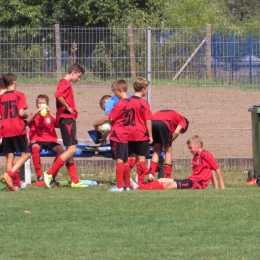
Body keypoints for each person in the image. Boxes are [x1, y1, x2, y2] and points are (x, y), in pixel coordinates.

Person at [43, 63, 88, 188]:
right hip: (67, 119)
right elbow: (58, 95)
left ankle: (75, 181)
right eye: (78, 76)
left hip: (67, 119)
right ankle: (50, 173)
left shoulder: (64, 83)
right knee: (72, 149)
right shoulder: (65, 83)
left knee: (69, 151)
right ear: (73, 73)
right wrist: (68, 107)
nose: (78, 79)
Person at [137, 135, 225, 190]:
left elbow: (217, 169)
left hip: (196, 184)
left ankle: (141, 188)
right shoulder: (196, 157)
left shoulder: (206, 154)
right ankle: (142, 186)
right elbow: (211, 170)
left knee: (168, 185)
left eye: (191, 147)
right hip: (190, 180)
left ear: (198, 145)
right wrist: (215, 188)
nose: (190, 150)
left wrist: (222, 188)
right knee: (161, 180)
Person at [93, 78, 132, 192]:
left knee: (119, 160)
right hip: (125, 134)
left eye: (115, 93)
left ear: (120, 90)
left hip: (117, 134)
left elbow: (108, 118)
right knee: (125, 160)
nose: (115, 95)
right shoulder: (131, 103)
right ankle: (127, 186)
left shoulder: (120, 104)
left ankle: (119, 186)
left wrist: (95, 123)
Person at [0, 73, 30, 191]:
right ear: (14, 82)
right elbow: (21, 113)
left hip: (5, 128)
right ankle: (10, 174)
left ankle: (9, 185)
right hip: (17, 128)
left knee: (10, 157)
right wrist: (27, 117)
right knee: (26, 154)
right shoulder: (19, 95)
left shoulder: (1, 97)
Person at [27, 94, 65, 187]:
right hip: (37, 139)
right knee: (35, 148)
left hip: (49, 139)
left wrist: (50, 113)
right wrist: (37, 112)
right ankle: (39, 176)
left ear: (47, 104)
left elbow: (60, 124)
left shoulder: (50, 115)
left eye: (43, 103)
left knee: (61, 150)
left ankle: (51, 175)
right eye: (39, 103)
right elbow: (26, 122)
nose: (41, 105)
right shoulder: (34, 115)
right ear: (36, 105)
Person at [146, 109, 189, 180]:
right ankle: (167, 177)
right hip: (164, 123)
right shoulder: (182, 120)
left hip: (152, 123)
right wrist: (169, 141)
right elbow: (177, 132)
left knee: (157, 150)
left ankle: (151, 174)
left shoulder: (171, 113)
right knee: (168, 152)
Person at [127, 77, 153, 186]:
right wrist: (150, 135)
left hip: (129, 133)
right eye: (147, 89)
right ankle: (141, 183)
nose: (147, 91)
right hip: (141, 133)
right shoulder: (144, 103)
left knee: (133, 156)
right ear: (143, 89)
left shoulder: (127, 101)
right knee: (141, 158)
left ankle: (123, 175)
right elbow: (148, 121)